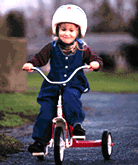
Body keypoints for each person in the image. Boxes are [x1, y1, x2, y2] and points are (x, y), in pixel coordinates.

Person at [22, 4, 103, 154]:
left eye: (71, 30)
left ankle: (76, 125)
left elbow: (95, 59)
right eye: (63, 29)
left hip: (73, 83)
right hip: (52, 84)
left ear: (78, 31)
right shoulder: (51, 47)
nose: (67, 33)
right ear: (57, 30)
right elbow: (39, 58)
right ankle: (40, 143)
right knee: (46, 111)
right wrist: (31, 64)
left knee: (70, 97)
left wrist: (95, 63)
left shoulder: (82, 48)